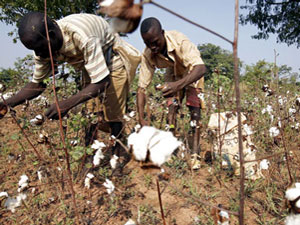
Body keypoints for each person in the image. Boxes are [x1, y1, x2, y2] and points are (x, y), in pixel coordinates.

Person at [0, 12, 141, 162]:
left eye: (40, 49)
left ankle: (119, 155)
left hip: (112, 58)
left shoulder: (82, 36)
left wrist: (65, 104)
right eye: (34, 50)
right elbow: (37, 85)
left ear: (52, 35)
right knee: (90, 114)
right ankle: (89, 157)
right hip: (89, 63)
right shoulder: (42, 45)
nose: (39, 54)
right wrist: (6, 104)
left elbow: (102, 82)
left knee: (113, 113)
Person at [137, 17, 206, 170]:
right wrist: (141, 119)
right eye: (148, 44)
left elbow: (201, 68)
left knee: (195, 111)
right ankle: (172, 146)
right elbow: (141, 88)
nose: (153, 47)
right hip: (173, 72)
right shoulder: (148, 53)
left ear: (162, 33)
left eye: (155, 42)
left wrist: (177, 85)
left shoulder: (180, 41)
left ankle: (195, 154)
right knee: (171, 107)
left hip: (192, 71)